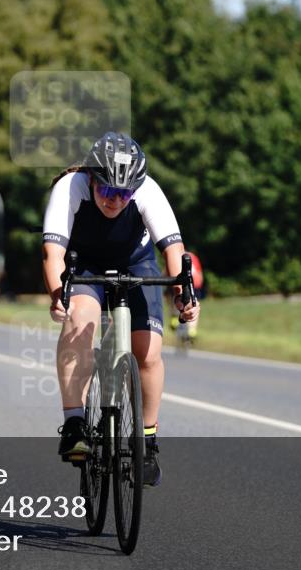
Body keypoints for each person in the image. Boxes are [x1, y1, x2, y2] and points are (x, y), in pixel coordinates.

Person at [42, 131, 200, 487]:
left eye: (124, 194)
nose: (115, 200)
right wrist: (57, 295)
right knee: (79, 321)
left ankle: (147, 441)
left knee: (148, 350)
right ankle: (75, 424)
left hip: (136, 264)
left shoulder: (148, 190)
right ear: (91, 179)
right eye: (107, 190)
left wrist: (183, 295)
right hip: (84, 266)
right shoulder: (70, 188)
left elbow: (174, 251)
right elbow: (53, 254)